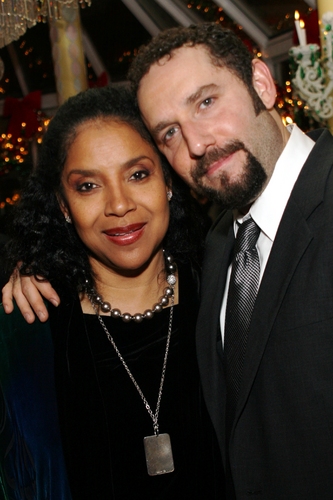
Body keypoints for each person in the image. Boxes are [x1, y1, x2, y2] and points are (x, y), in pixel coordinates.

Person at [3, 22, 333, 499]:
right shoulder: (224, 253)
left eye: (206, 101)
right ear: (62, 204)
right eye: (170, 132)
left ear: (262, 83)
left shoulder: (204, 270)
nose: (197, 144)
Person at [0, 85, 223, 499]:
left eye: (138, 174)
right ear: (63, 205)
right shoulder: (32, 327)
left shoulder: (225, 291)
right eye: (88, 186)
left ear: (168, 182)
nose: (119, 205)